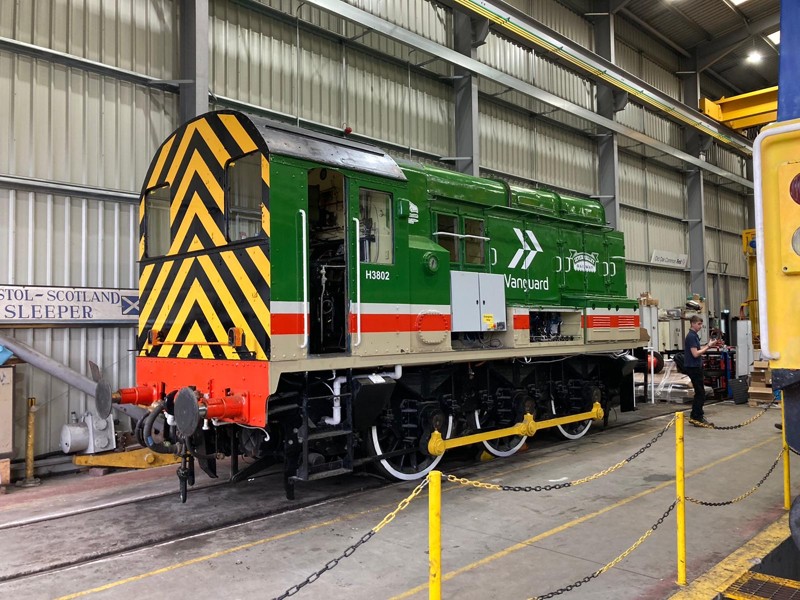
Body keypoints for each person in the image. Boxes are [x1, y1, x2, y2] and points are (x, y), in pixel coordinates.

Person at [684, 315, 719, 426]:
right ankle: (697, 417)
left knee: (699, 392)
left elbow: (697, 350)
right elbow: (695, 354)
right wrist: (708, 346)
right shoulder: (691, 336)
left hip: (694, 366)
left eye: (701, 324)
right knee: (700, 393)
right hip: (693, 367)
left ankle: (694, 416)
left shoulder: (694, 336)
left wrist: (706, 345)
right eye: (698, 324)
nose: (700, 326)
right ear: (692, 323)